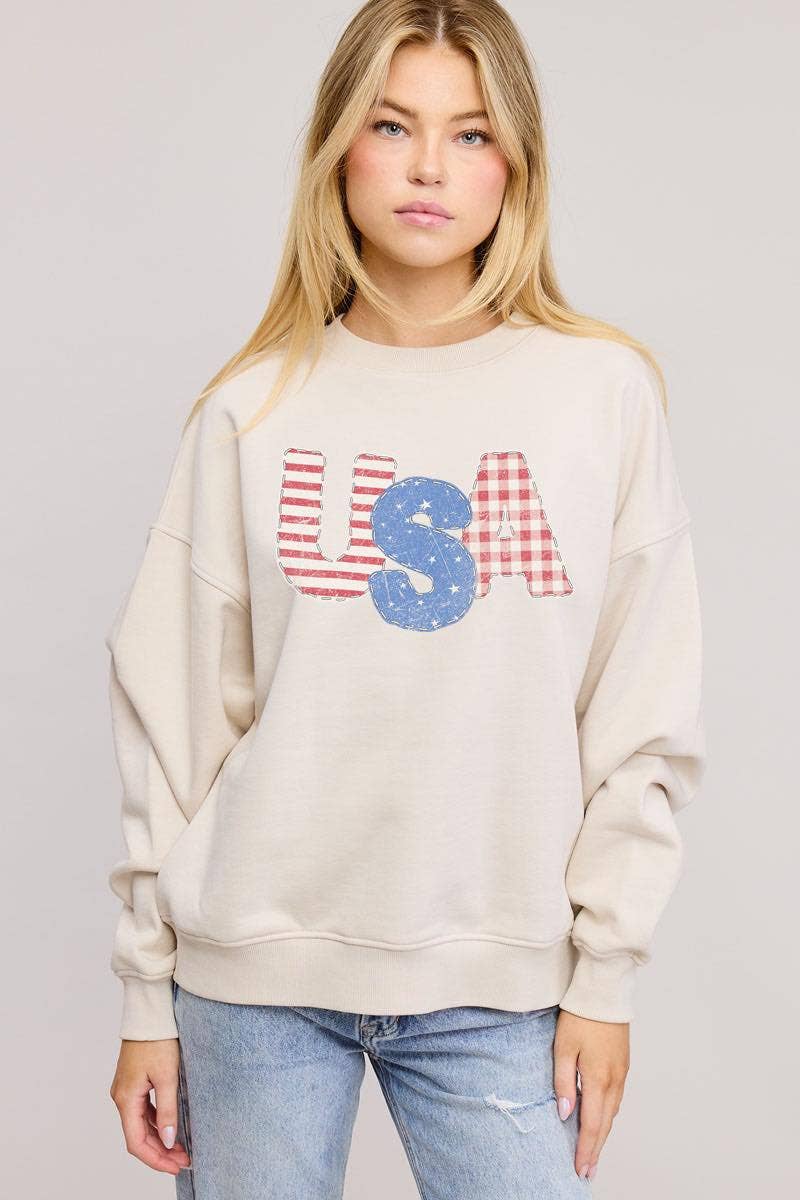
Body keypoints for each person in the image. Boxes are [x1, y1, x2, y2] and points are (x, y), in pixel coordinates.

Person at [105, 2, 706, 1196]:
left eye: (469, 133)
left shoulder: (598, 395)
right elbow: (172, 718)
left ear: (514, 165)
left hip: (499, 980)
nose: (428, 166)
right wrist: (142, 996)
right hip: (251, 977)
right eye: (392, 125)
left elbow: (641, 710)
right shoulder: (251, 409)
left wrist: (604, 978)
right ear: (337, 148)